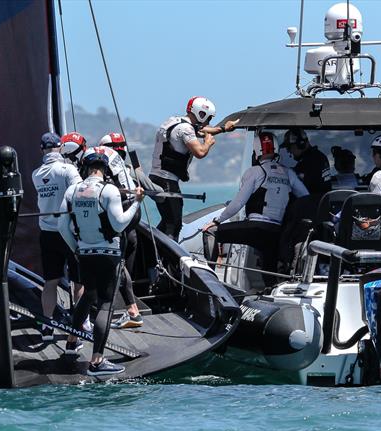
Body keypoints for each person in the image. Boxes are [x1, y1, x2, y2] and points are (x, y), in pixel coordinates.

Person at [58, 148, 144, 376]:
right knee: (105, 304)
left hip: (84, 253)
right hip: (109, 254)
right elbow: (119, 224)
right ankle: (97, 360)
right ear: (105, 170)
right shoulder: (109, 190)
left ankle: (71, 341)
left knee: (87, 295)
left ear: (85, 169)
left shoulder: (71, 190)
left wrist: (76, 248)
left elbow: (61, 226)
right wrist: (136, 202)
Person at [202, 132, 308, 285]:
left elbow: (238, 203)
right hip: (276, 231)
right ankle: (271, 291)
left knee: (211, 232)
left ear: (256, 151)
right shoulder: (288, 173)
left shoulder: (255, 171)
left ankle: (209, 282)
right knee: (269, 268)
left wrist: (217, 221)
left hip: (255, 228)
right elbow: (305, 197)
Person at [149, 96, 238, 240]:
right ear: (198, 113)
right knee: (174, 224)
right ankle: (167, 259)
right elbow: (200, 152)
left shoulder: (175, 121)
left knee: (167, 222)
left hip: (157, 176)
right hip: (167, 180)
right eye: (206, 117)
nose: (207, 121)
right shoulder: (186, 129)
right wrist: (208, 143)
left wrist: (223, 129)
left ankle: (152, 252)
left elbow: (202, 131)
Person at [31, 132, 83, 341]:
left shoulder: (36, 174)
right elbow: (80, 193)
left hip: (47, 233)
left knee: (50, 281)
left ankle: (47, 325)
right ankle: (81, 323)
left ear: (42, 150)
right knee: (79, 282)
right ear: (60, 148)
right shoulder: (68, 169)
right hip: (69, 232)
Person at [91, 133, 144, 329]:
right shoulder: (124, 164)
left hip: (121, 212)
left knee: (117, 264)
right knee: (126, 255)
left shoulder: (104, 160)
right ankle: (120, 300)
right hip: (132, 213)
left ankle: (132, 311)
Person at [280, 128, 332, 196]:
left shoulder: (308, 162)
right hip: (320, 203)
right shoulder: (319, 156)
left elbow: (297, 186)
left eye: (289, 148)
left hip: (311, 204)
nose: (288, 151)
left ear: (300, 144)